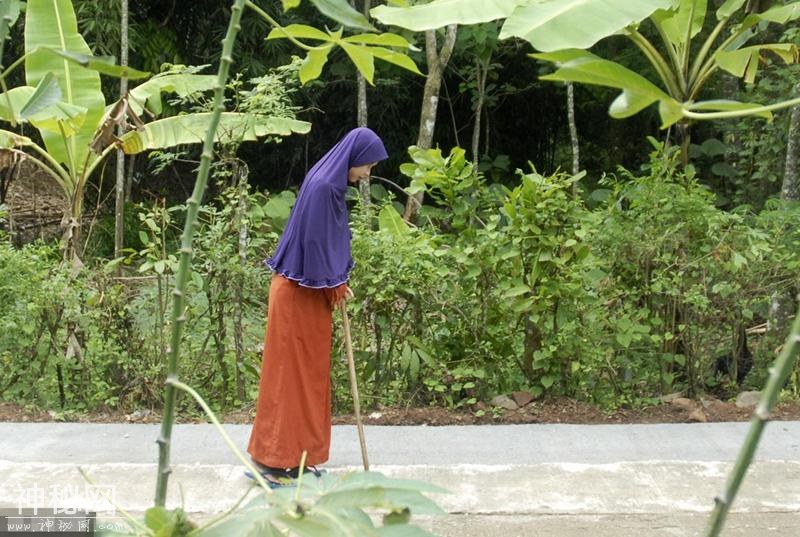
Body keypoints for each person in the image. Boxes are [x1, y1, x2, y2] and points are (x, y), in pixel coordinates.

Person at [246, 127, 388, 487]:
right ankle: (275, 462)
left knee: (308, 379)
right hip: (299, 294)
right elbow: (312, 242)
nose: (367, 174)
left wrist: (337, 281)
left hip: (307, 292)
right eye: (367, 166)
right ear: (354, 159)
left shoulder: (328, 182)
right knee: (289, 380)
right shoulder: (325, 188)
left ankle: (298, 458)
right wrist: (334, 282)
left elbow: (325, 241)